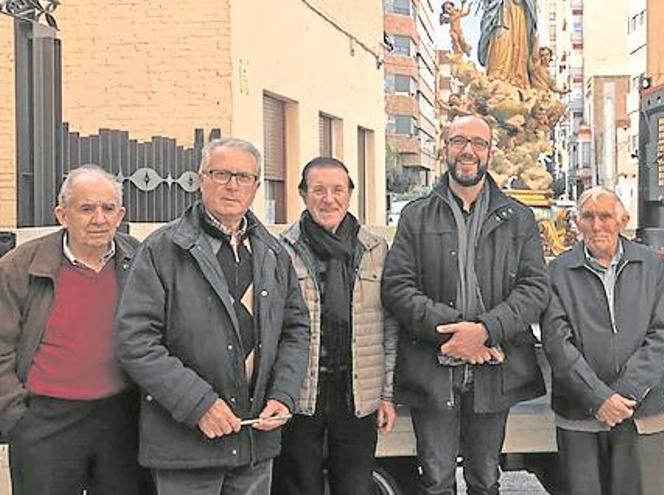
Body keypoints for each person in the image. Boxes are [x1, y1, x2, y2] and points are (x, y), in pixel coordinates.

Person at [116, 137, 311, 495]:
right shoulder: (162, 250)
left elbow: (296, 330)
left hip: (253, 444)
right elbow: (136, 342)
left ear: (256, 186)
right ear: (200, 178)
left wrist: (283, 396)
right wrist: (200, 404)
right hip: (187, 446)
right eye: (221, 174)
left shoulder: (272, 252)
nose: (232, 185)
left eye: (243, 176)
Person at [382, 115, 549, 495]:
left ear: (490, 152)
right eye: (459, 141)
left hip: (495, 370)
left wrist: (486, 331)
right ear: (445, 148)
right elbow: (397, 287)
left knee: (485, 478)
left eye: (478, 143)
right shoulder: (416, 215)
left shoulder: (517, 218)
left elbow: (535, 288)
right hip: (432, 366)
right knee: (436, 479)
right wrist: (455, 331)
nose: (468, 150)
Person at [0, 165, 146, 494]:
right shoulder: (20, 266)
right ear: (62, 215)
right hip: (44, 421)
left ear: (120, 214)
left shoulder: (139, 259)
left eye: (108, 208)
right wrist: (16, 417)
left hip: (120, 417)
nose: (99, 218)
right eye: (86, 208)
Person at [273, 157, 398, 495]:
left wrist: (386, 395)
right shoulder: (282, 250)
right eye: (318, 190)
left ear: (350, 194)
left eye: (337, 190)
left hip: (357, 392)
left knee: (355, 486)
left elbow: (388, 327)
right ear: (303, 194)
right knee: (298, 486)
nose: (329, 199)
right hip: (302, 392)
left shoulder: (375, 249)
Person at [542, 187, 664, 495]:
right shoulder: (557, 272)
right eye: (587, 217)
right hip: (580, 414)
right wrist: (598, 398)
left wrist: (623, 396)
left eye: (605, 216)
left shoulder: (653, 266)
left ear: (623, 220)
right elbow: (556, 342)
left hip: (639, 411)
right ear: (576, 222)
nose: (597, 225)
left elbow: (663, 333)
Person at [477, 0, 538, 88]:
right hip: (502, 12)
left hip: (519, 13)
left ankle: (517, 77)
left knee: (519, 44)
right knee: (501, 41)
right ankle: (496, 75)